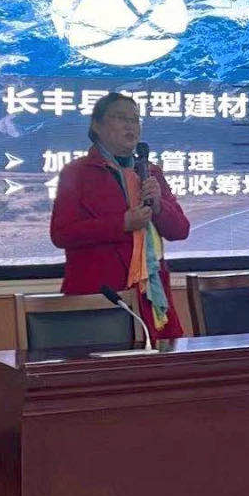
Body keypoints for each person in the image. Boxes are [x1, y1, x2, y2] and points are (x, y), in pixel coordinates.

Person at [50, 92, 191, 338]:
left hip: (150, 296)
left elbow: (180, 230)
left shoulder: (150, 172)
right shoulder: (78, 172)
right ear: (97, 125)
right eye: (120, 118)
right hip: (101, 297)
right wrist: (122, 224)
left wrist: (159, 206)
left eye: (135, 120)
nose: (130, 126)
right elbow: (62, 234)